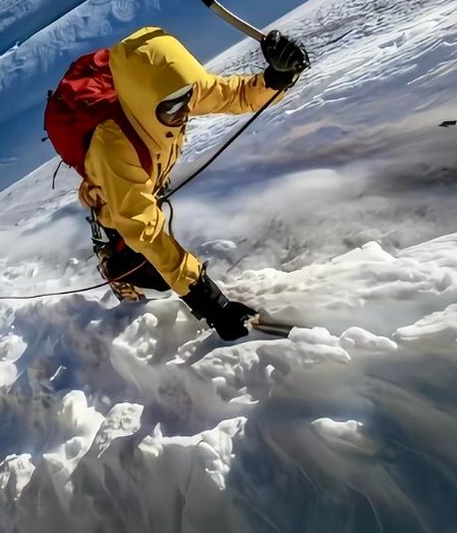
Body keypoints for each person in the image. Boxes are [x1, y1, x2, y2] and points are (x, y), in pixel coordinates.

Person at [77, 25, 307, 340]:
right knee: (152, 282)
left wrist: (275, 79)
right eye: (172, 107)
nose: (185, 111)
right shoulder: (114, 147)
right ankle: (115, 277)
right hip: (119, 215)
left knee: (165, 269)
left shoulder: (172, 94)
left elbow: (235, 96)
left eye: (188, 98)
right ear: (142, 100)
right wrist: (212, 305)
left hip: (145, 192)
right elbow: (147, 234)